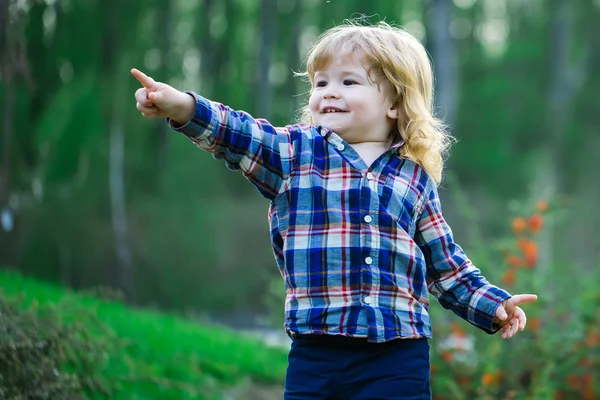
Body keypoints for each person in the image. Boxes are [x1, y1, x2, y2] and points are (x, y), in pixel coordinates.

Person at [131, 20, 537, 400]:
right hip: (317, 351)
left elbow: (446, 265)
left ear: (394, 102)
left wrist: (492, 304)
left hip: (397, 353)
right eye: (320, 82)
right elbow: (240, 135)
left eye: (348, 81)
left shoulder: (413, 179)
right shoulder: (296, 153)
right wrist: (182, 105)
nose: (328, 91)